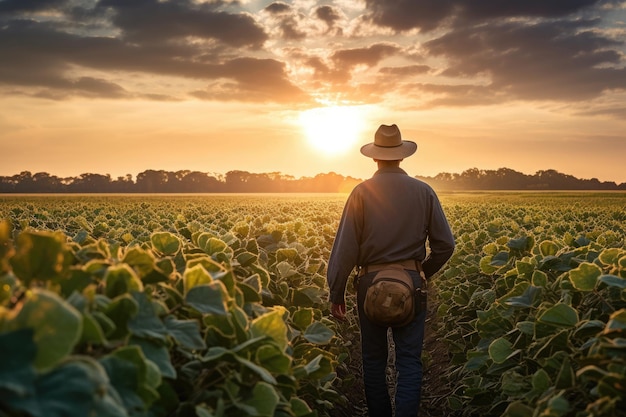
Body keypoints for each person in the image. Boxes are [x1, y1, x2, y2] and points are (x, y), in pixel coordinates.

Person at [326, 124, 455, 417]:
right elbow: (445, 245)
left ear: (374, 158)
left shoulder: (360, 192)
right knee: (409, 361)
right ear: (402, 157)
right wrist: (422, 272)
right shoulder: (424, 191)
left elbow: (345, 249)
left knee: (373, 361)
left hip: (369, 282)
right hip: (412, 282)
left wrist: (337, 292)